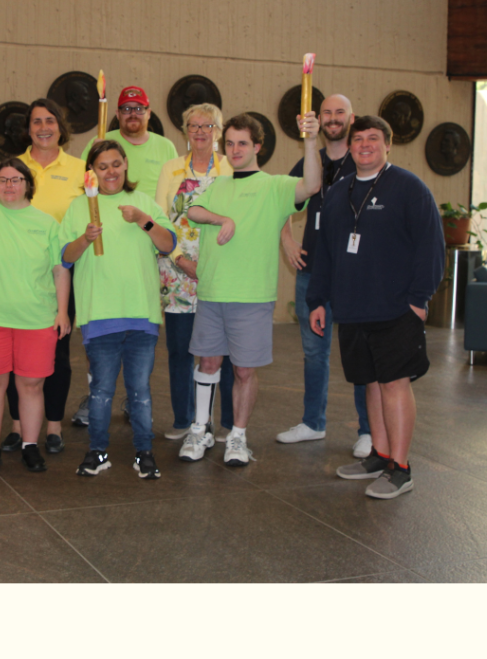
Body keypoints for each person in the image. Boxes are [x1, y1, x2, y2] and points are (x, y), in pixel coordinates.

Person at [307, 115, 445, 499]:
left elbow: (431, 248)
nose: (365, 145)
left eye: (373, 139)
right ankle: (380, 456)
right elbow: (327, 253)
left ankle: (400, 469)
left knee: (394, 384)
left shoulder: (409, 189)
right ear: (349, 147)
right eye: (358, 139)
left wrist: (419, 300)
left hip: (396, 308)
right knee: (369, 382)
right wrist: (317, 299)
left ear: (388, 145)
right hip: (352, 308)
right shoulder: (338, 192)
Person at [182, 111, 320, 465]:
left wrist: (310, 139)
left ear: (258, 146)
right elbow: (193, 211)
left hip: (252, 296)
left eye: (242, 143)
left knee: (244, 370)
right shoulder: (218, 185)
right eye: (229, 143)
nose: (235, 149)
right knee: (207, 363)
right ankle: (200, 429)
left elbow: (312, 185)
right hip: (212, 292)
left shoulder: (275, 186)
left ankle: (238, 438)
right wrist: (221, 218)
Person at [59, 139, 176, 480]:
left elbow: (168, 245)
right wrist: (85, 238)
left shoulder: (143, 203)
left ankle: (144, 452)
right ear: (91, 173)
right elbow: (66, 257)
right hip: (99, 313)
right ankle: (98, 451)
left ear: (125, 165)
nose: (109, 171)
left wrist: (144, 220)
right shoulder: (80, 207)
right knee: (101, 391)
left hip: (141, 314)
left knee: (139, 390)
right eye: (101, 166)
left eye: (115, 163)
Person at [0, 135, 71, 473]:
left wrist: (62, 312)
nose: (8, 185)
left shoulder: (47, 223)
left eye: (15, 179)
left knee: (31, 386)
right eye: (2, 180)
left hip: (36, 318)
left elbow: (59, 270)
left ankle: (30, 445)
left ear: (28, 185)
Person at [277, 93, 372, 457]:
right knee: (314, 352)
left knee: (358, 351)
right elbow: (281, 201)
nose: (332, 119)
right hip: (313, 273)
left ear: (352, 118)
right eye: (326, 113)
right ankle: (313, 423)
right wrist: (286, 238)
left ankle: (367, 430)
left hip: (354, 276)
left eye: (339, 113)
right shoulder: (309, 160)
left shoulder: (361, 161)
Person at [3, 98, 84, 453]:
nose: (43, 127)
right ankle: (18, 424)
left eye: (50, 120)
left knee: (58, 350)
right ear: (28, 128)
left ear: (60, 126)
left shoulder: (81, 169)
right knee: (14, 352)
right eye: (36, 122)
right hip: (21, 273)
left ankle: (53, 424)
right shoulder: (15, 167)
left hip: (65, 269)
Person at [154, 102, 235, 444]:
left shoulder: (231, 167)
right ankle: (184, 418)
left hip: (222, 272)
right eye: (194, 126)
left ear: (218, 132)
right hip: (178, 271)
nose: (200, 131)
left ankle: (225, 421)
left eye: (208, 126)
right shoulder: (171, 168)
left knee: (225, 352)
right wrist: (178, 259)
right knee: (180, 349)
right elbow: (159, 219)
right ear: (185, 132)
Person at [79, 85, 177, 199]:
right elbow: (84, 183)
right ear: (117, 114)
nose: (133, 114)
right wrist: (95, 157)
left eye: (139, 109)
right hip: (110, 213)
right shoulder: (100, 143)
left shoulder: (166, 147)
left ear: (148, 113)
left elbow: (175, 188)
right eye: (126, 109)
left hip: (153, 215)